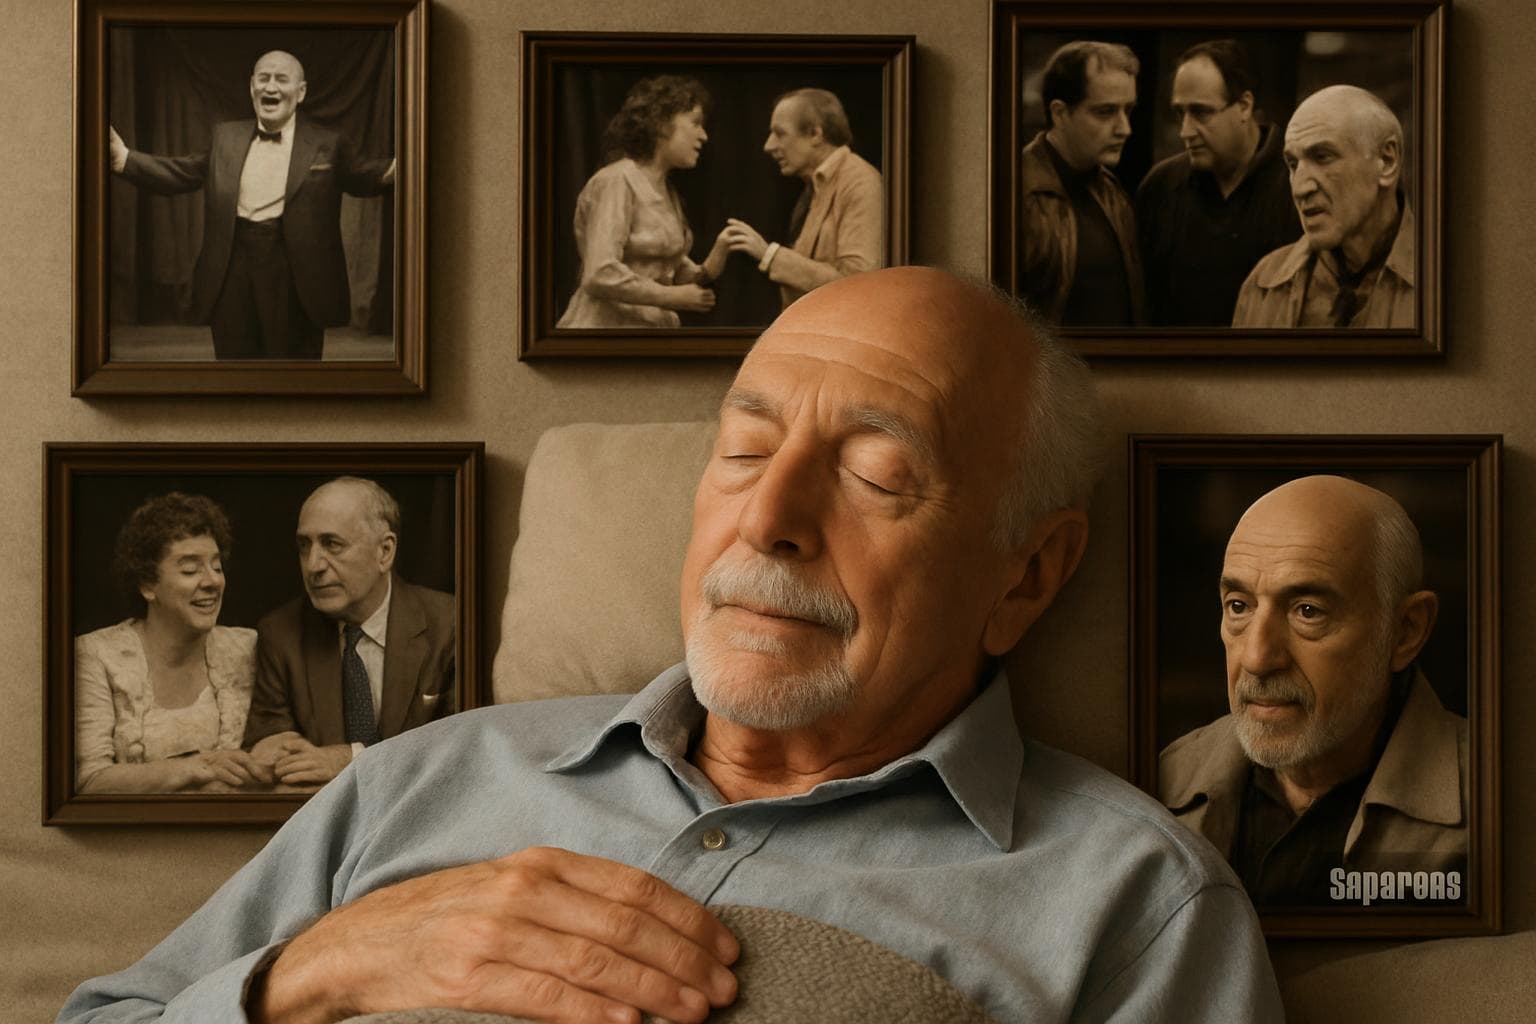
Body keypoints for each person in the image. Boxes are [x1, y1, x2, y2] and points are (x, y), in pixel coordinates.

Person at [60, 268, 1282, 1023]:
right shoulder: (420, 778)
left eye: (872, 472)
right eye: (743, 454)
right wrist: (315, 972)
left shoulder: (1138, 905)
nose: (770, 518)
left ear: (1026, 574)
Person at [1159, 476, 1467, 907]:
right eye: (1239, 606)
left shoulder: (1502, 807)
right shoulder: (1158, 785)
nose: (1256, 658)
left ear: (1405, 632)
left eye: (1308, 611)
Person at [109, 50, 396, 360]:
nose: (270, 87)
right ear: (251, 87)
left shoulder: (329, 142)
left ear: (300, 93)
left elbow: (362, 176)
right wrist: (124, 159)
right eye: (263, 78)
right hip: (233, 268)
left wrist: (404, 167)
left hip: (296, 276)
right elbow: (183, 173)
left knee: (295, 377)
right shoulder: (225, 136)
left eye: (281, 79)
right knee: (235, 370)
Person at [242, 477, 455, 787]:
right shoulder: (281, 633)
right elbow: (269, 739)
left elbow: (463, 749)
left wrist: (353, 758)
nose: (313, 565)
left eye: (332, 544)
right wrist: (280, 749)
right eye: (304, 546)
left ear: (385, 551)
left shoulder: (449, 624)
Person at [75, 492, 263, 793]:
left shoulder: (249, 648)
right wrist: (197, 767)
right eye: (190, 569)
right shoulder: (96, 654)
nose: (212, 581)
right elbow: (91, 781)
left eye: (216, 566)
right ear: (148, 585)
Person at [1135, 40, 1300, 326]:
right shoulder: (1161, 187)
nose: (1185, 131)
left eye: (1201, 113)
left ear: (1245, 105)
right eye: (1180, 114)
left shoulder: (1297, 184)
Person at [556, 75, 732, 329]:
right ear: (661, 124)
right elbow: (599, 273)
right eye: (695, 123)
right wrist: (672, 297)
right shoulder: (617, 180)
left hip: (649, 331)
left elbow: (672, 274)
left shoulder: (667, 192)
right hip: (602, 332)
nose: (703, 135)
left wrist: (720, 251)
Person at [1232, 85, 1415, 328]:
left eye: (1322, 157)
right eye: (1293, 164)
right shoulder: (1263, 284)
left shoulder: (1455, 283)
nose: (1300, 188)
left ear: (1387, 161)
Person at [717, 88, 884, 309]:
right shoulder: (814, 187)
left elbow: (858, 284)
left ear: (816, 134)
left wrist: (769, 254)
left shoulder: (861, 182)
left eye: (780, 133)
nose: (768, 146)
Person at [1017, 41, 1145, 326]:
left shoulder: (1112, 192)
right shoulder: (1017, 192)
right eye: (1105, 112)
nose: (1125, 128)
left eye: (1128, 110)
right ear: (1060, 113)